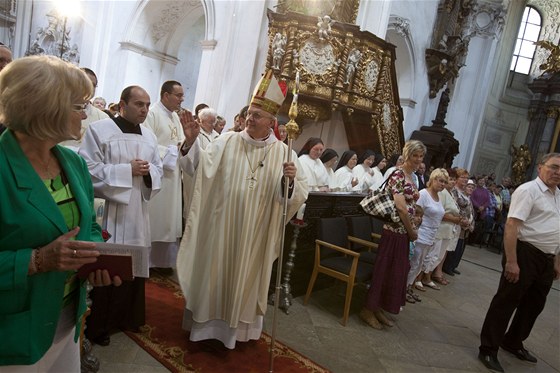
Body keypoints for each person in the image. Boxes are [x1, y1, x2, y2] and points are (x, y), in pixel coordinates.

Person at [0, 55, 120, 369]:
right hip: (13, 325)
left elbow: (89, 225)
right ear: (47, 107)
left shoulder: (73, 162)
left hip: (67, 315)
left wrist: (96, 258)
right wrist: (36, 260)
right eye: (79, 106)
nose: (86, 115)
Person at [176, 70, 308, 349]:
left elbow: (292, 198)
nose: (250, 118)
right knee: (215, 274)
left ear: (271, 122)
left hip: (254, 234)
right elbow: (198, 169)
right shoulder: (227, 142)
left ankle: (239, 333)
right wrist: (190, 142)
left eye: (257, 115)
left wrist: (290, 181)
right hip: (220, 227)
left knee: (246, 278)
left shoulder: (284, 154)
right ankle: (204, 328)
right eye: (249, 112)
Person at [79, 85, 163, 346]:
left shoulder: (149, 136)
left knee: (134, 266)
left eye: (148, 105)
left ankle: (127, 318)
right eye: (139, 104)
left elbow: (158, 169)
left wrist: (149, 173)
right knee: (109, 266)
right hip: (110, 211)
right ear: (122, 105)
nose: (145, 110)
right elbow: (87, 169)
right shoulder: (99, 130)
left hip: (137, 211)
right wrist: (126, 170)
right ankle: (99, 326)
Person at [478, 153, 560, 373]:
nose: (558, 172)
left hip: (546, 258)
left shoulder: (558, 195)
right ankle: (488, 348)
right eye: (554, 167)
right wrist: (511, 261)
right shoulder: (528, 190)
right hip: (524, 253)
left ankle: (513, 341)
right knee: (506, 300)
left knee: (534, 304)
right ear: (540, 167)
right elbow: (512, 226)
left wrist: (556, 259)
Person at [360, 140, 425, 330]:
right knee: (384, 271)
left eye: (421, 156)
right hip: (394, 231)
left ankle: (379, 307)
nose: (418, 160)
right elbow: (401, 208)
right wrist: (412, 231)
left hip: (403, 232)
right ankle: (368, 309)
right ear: (407, 155)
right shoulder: (398, 174)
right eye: (415, 156)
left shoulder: (411, 176)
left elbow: (411, 205)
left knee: (394, 274)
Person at [142, 81, 185, 274]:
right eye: (178, 95)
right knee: (155, 219)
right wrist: (170, 152)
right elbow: (146, 142)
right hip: (157, 174)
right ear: (165, 95)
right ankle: (148, 262)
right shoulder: (152, 114)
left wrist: (182, 148)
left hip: (173, 174)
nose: (181, 99)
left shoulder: (175, 116)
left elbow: (180, 141)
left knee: (168, 220)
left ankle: (162, 261)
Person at [407, 168, 447, 298]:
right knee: (413, 263)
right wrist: (413, 231)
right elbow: (415, 213)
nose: (443, 184)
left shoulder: (438, 197)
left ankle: (409, 287)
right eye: (441, 181)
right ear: (433, 179)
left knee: (419, 265)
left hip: (431, 235)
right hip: (420, 233)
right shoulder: (423, 194)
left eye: (445, 182)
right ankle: (404, 289)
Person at [60, 68, 109, 151]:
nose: (89, 88)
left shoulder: (103, 118)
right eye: (86, 83)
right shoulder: (57, 108)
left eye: (93, 85)